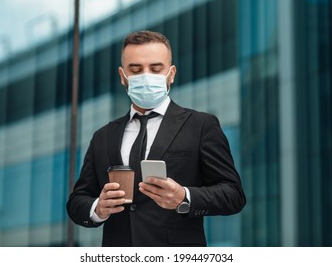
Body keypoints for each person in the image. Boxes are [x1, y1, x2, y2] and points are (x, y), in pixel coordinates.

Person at [66, 30, 246, 247]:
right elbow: (77, 201)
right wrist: (98, 208)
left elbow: (233, 194)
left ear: (171, 74)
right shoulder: (103, 136)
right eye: (136, 69)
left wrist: (184, 197)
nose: (146, 76)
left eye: (155, 68)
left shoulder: (200, 126)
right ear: (123, 76)